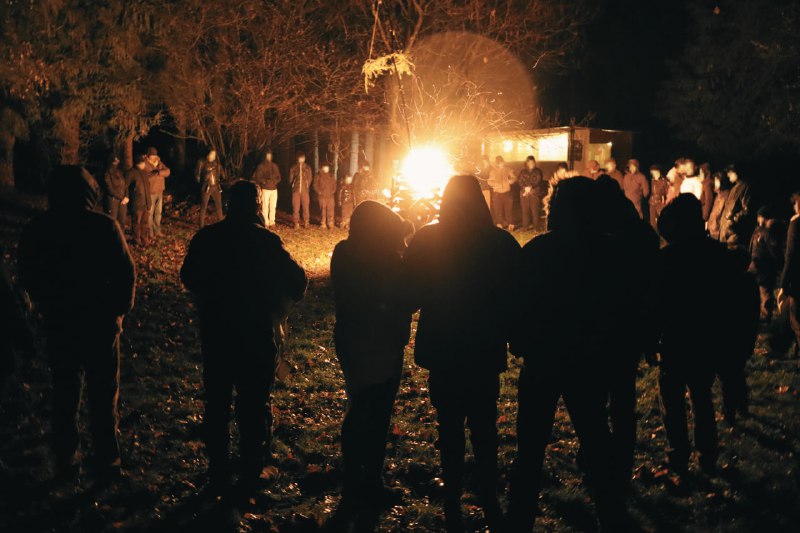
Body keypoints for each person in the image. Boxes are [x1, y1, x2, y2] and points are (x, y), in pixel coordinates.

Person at [508, 177, 630, 532]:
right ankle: (611, 513)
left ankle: (520, 519)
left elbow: (517, 304)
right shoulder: (609, 252)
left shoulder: (537, 251)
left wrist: (521, 341)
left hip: (545, 359)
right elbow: (619, 307)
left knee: (530, 447)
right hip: (588, 360)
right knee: (594, 437)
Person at [405, 175, 520, 532]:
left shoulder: (427, 238)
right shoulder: (500, 242)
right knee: (485, 423)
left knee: (449, 424)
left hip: (444, 345)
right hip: (483, 346)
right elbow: (518, 296)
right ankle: (487, 492)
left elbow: (410, 294)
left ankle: (452, 493)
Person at [180, 180, 307, 502]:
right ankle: (253, 468)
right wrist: (278, 304)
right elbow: (298, 279)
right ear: (255, 205)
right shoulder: (264, 241)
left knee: (218, 403)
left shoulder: (207, 238)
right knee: (253, 403)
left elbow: (188, 276)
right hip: (254, 331)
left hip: (217, 332)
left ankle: (219, 469)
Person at [17, 165, 136, 482]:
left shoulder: (40, 228)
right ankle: (107, 459)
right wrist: (117, 313)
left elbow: (27, 273)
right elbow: (126, 274)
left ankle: (67, 458)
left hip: (61, 323)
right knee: (102, 394)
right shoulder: (104, 226)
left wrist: (43, 304)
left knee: (65, 393)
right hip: (98, 324)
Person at [330, 201, 413, 517]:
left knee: (360, 404)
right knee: (375, 413)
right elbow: (403, 298)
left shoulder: (344, 253)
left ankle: (356, 480)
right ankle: (368, 481)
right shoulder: (388, 260)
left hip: (351, 338)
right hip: (381, 341)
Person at [654, 194, 736, 475]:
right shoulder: (718, 255)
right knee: (701, 397)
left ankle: (678, 455)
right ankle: (706, 454)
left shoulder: (668, 258)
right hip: (706, 338)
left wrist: (652, 338)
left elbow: (657, 302)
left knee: (673, 401)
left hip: (676, 340)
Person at [749, 206, 787, 322]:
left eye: (759, 217)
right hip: (758, 266)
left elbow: (773, 250)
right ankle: (763, 315)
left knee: (765, 293)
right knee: (762, 293)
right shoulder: (759, 231)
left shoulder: (766, 233)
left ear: (763, 218)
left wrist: (779, 264)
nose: (757, 220)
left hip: (763, 268)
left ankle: (765, 317)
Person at [779, 188, 800, 350]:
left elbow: (791, 254)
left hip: (797, 280)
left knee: (796, 320)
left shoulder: (796, 223)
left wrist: (784, 281)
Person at [718, 164, 754, 249]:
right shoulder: (735, 188)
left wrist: (734, 220)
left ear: (737, 172)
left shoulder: (745, 187)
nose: (728, 175)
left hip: (734, 232)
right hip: (727, 231)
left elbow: (747, 209)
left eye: (730, 172)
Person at [143, 147, 170, 238]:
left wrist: (158, 172)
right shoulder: (145, 164)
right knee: (150, 213)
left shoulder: (159, 163)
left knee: (158, 212)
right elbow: (147, 177)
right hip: (150, 192)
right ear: (148, 156)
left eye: (155, 155)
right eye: (152, 156)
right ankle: (150, 232)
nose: (154, 157)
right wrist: (157, 173)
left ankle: (157, 230)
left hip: (160, 191)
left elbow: (168, 171)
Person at [250, 150, 281, 228]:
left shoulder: (275, 166)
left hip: (274, 189)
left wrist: (275, 182)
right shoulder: (261, 166)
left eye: (270, 155)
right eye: (267, 155)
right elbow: (258, 177)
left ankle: (272, 222)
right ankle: (265, 222)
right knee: (265, 206)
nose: (269, 157)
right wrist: (264, 182)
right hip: (265, 189)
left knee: (273, 206)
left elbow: (279, 177)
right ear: (265, 156)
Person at [126, 155, 153, 246]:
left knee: (145, 223)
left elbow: (147, 188)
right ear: (138, 163)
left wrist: (149, 202)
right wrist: (127, 197)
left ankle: (144, 239)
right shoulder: (131, 173)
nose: (144, 165)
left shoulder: (145, 173)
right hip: (136, 203)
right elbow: (126, 186)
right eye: (143, 163)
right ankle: (136, 240)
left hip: (145, 202)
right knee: (136, 222)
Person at [195, 149, 225, 228]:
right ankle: (201, 225)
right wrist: (203, 183)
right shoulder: (201, 162)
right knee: (204, 206)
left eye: (214, 155)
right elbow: (197, 175)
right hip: (206, 187)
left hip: (216, 187)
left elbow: (221, 174)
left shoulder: (216, 164)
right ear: (207, 154)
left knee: (219, 205)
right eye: (211, 154)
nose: (212, 157)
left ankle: (222, 222)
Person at [488, 155, 516, 230]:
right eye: (499, 162)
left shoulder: (508, 169)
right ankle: (499, 225)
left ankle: (510, 224)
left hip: (507, 193)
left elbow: (514, 177)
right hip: (497, 193)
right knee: (498, 210)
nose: (501, 164)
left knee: (508, 210)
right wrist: (495, 184)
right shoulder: (493, 171)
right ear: (497, 163)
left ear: (503, 162)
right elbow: (489, 181)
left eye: (502, 162)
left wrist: (511, 181)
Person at [517, 156, 544, 231]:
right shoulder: (523, 171)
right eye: (529, 162)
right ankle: (525, 227)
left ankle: (536, 228)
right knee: (525, 211)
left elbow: (538, 180)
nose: (531, 163)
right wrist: (524, 188)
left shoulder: (538, 171)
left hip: (534, 193)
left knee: (534, 211)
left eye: (532, 162)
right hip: (524, 193)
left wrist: (531, 187)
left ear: (534, 162)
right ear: (527, 163)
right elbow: (519, 181)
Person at [103, 154, 129, 230]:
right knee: (112, 223)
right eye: (114, 161)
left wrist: (126, 196)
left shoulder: (120, 172)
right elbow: (109, 189)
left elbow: (125, 185)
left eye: (117, 161)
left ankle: (121, 239)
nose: (116, 163)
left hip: (122, 202)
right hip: (112, 201)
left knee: (122, 222)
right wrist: (122, 198)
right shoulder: (107, 173)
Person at [289, 152, 313, 228]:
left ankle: (306, 222)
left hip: (305, 191)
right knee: (296, 207)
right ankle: (296, 222)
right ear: (297, 158)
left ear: (304, 158)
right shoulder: (293, 167)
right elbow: (290, 179)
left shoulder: (307, 167)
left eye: (303, 158)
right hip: (296, 190)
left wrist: (306, 185)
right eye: (300, 158)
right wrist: (293, 185)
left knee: (306, 206)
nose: (301, 159)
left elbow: (310, 178)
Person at [708, 172, 732, 240]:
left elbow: (720, 213)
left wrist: (715, 227)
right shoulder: (718, 195)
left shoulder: (725, 196)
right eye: (715, 180)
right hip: (713, 230)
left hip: (717, 232)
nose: (715, 182)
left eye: (717, 180)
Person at [313, 163, 337, 229]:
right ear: (322, 168)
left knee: (331, 210)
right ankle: (323, 223)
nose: (326, 169)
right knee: (323, 210)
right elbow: (315, 185)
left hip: (330, 196)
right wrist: (319, 192)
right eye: (325, 167)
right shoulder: (319, 176)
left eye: (327, 168)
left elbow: (334, 184)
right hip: (322, 196)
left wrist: (333, 190)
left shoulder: (331, 176)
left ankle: (331, 223)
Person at [649, 164, 668, 229]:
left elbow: (666, 192)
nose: (653, 173)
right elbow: (652, 191)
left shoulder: (663, 181)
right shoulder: (652, 180)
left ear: (658, 171)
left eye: (654, 172)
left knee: (661, 221)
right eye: (652, 172)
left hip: (660, 203)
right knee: (653, 222)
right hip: (652, 202)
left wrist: (664, 200)